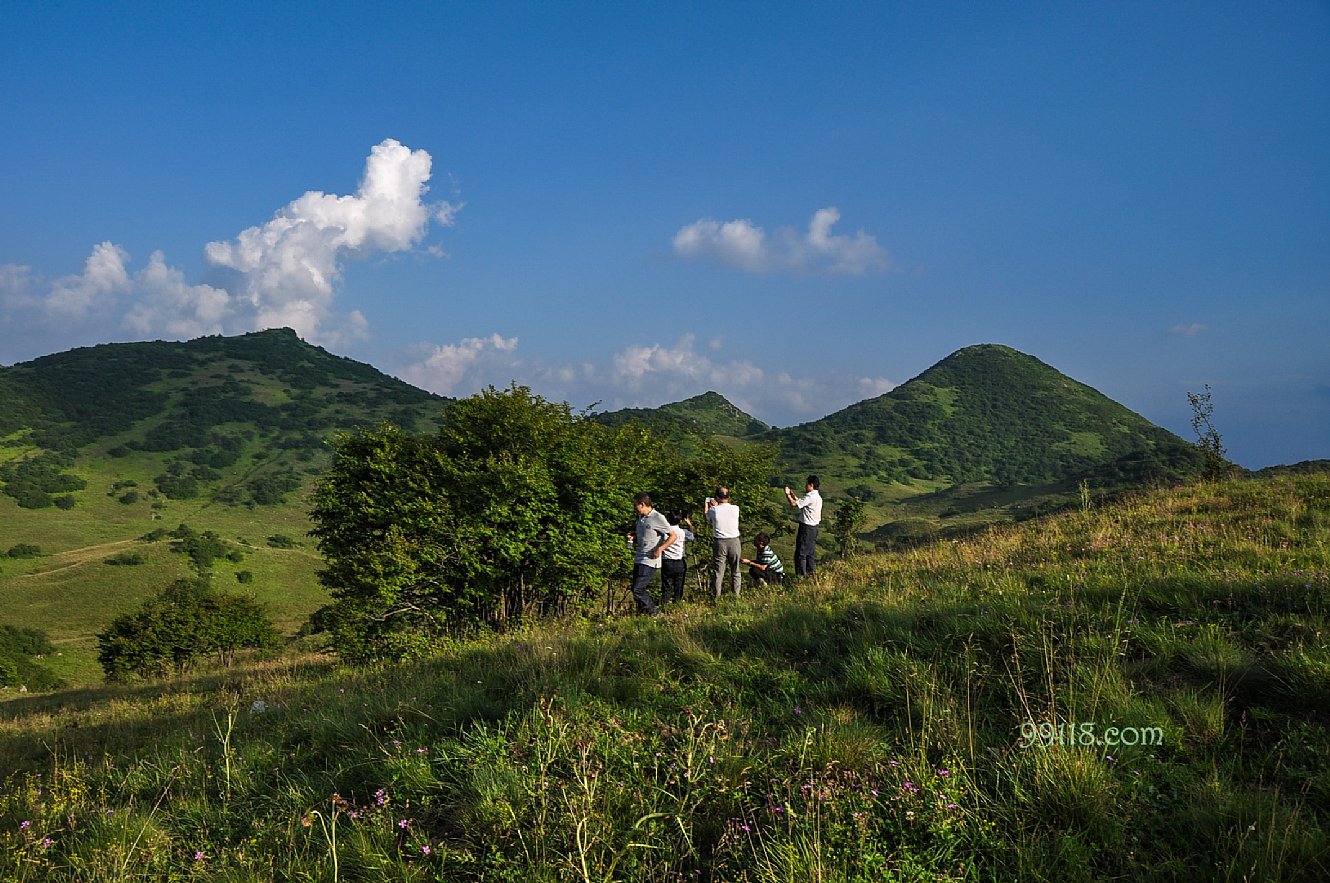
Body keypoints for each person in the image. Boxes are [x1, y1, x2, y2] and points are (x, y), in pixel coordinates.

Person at [629, 493, 677, 616]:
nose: (635, 509)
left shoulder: (657, 517)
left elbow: (673, 536)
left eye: (636, 507)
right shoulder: (641, 519)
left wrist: (660, 548)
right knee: (635, 590)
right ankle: (641, 615)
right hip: (639, 558)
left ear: (642, 504)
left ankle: (655, 613)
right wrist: (634, 538)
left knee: (638, 589)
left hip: (650, 559)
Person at [705, 486, 742, 600]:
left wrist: (707, 505)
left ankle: (716, 597)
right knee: (735, 570)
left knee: (719, 571)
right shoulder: (736, 508)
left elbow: (707, 517)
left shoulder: (714, 510)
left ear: (716, 497)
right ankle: (736, 595)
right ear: (728, 497)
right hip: (734, 541)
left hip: (720, 542)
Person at [784, 475, 822, 577]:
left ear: (811, 485)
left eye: (807, 484)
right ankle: (810, 574)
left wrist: (787, 495)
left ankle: (801, 576)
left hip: (806, 528)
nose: (805, 486)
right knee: (810, 553)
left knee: (801, 553)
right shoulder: (817, 497)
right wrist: (792, 493)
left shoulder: (810, 497)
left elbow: (794, 504)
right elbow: (800, 502)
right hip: (814, 528)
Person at [660, 510, 694, 607]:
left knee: (667, 586)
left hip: (667, 561)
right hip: (679, 561)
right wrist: (689, 525)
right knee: (679, 585)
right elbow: (691, 537)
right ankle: (677, 604)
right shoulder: (683, 532)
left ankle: (665, 605)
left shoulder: (665, 531)